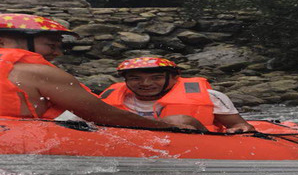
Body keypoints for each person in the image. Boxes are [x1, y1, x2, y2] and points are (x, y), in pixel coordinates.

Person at [0, 13, 194, 130]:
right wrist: (169, 129)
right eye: (48, 43)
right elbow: (104, 116)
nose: (56, 51)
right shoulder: (28, 68)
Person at [99, 57, 256, 133]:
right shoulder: (108, 98)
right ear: (125, 80)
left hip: (198, 147)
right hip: (133, 149)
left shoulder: (211, 96)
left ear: (175, 77)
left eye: (156, 78)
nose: (145, 83)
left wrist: (239, 129)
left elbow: (242, 126)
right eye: (135, 78)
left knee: (180, 120)